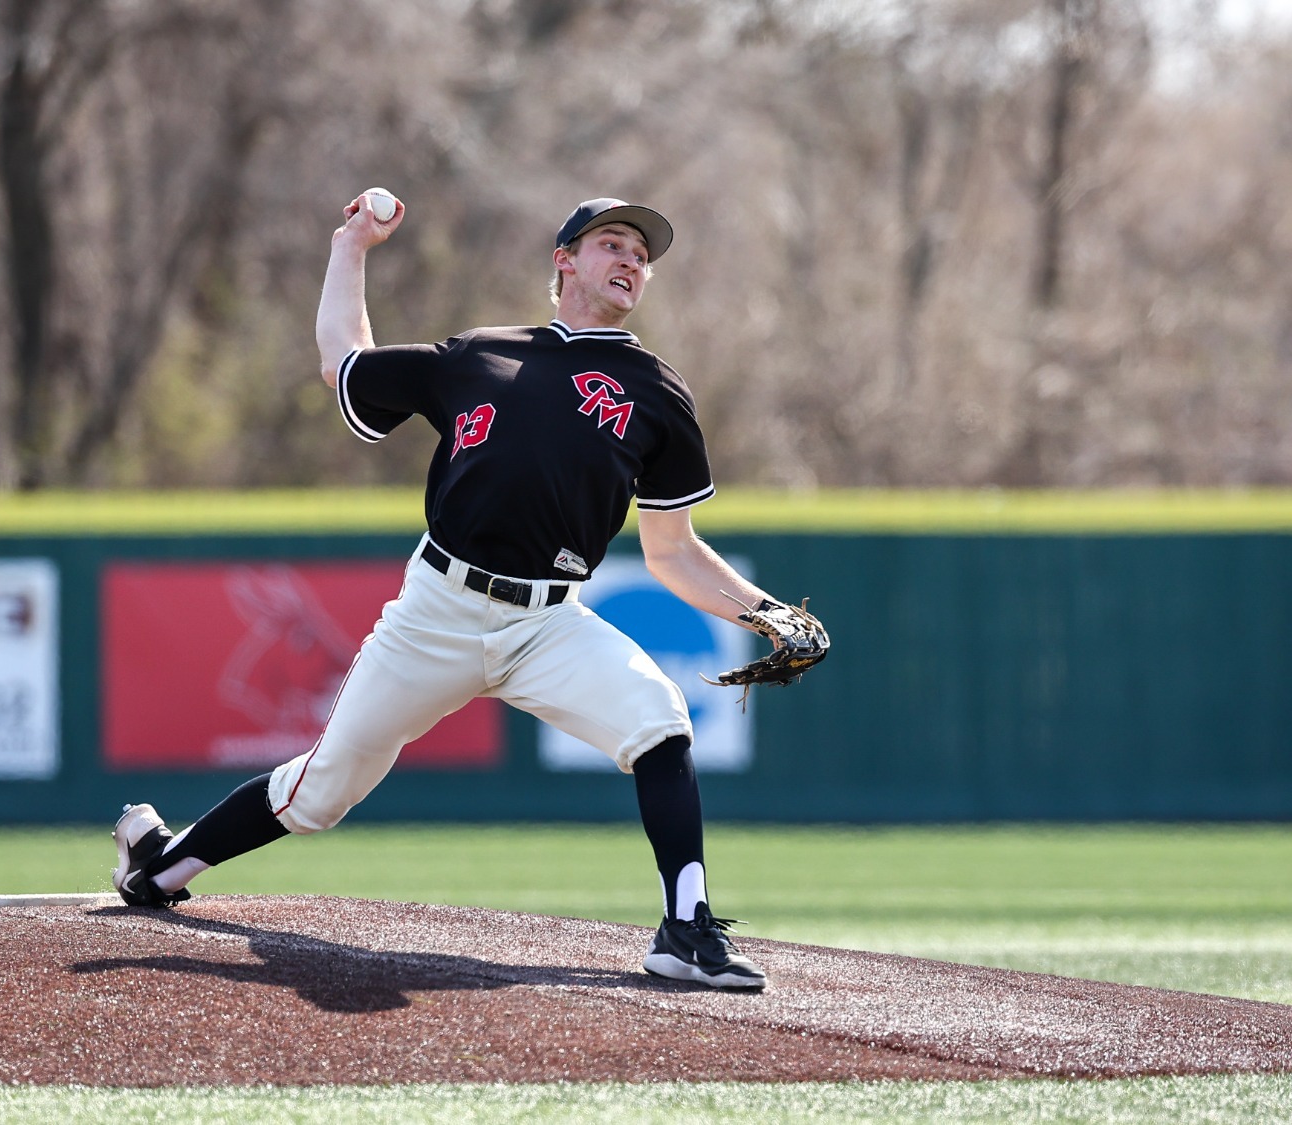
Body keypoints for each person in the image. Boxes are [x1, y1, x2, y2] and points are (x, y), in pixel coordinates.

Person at [110, 192, 823, 990]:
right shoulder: (479, 355)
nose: (631, 260)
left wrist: (766, 613)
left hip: (550, 622)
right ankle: (158, 867)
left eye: (642, 255)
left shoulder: (657, 392)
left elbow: (674, 552)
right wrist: (351, 248)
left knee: (660, 721)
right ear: (565, 260)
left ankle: (686, 930)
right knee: (320, 796)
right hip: (436, 614)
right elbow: (343, 365)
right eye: (612, 243)